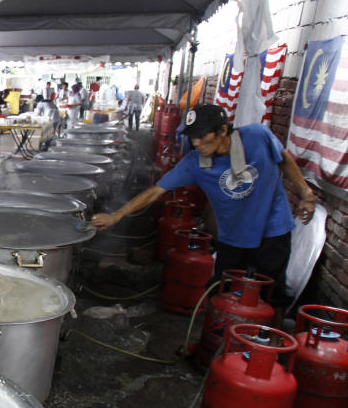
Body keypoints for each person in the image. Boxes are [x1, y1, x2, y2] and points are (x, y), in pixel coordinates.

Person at [90, 104, 316, 323]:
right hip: (233, 235)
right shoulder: (194, 163)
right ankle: (216, 338)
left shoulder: (257, 136)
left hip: (272, 229)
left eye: (201, 136)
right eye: (192, 137)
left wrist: (305, 192)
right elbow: (155, 191)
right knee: (221, 289)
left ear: (223, 130)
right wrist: (116, 215)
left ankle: (271, 345)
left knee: (272, 291)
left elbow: (283, 157)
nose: (196, 143)